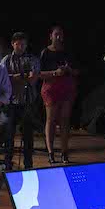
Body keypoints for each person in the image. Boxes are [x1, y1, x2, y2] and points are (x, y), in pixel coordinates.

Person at [38, 25, 79, 164]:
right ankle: (50, 152)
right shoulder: (45, 52)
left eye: (61, 34)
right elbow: (39, 74)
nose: (59, 37)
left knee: (65, 120)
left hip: (67, 87)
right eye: (56, 34)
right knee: (51, 120)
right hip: (50, 88)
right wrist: (55, 73)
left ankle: (64, 152)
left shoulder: (67, 52)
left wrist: (68, 70)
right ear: (50, 36)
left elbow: (77, 71)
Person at [0, 32, 40, 171]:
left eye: (24, 44)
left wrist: (15, 77)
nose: (21, 47)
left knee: (28, 136)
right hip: (11, 102)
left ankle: (28, 165)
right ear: (13, 44)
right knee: (9, 135)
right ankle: (8, 163)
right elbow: (3, 79)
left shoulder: (32, 59)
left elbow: (33, 79)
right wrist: (22, 76)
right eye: (18, 44)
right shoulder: (6, 60)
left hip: (27, 102)